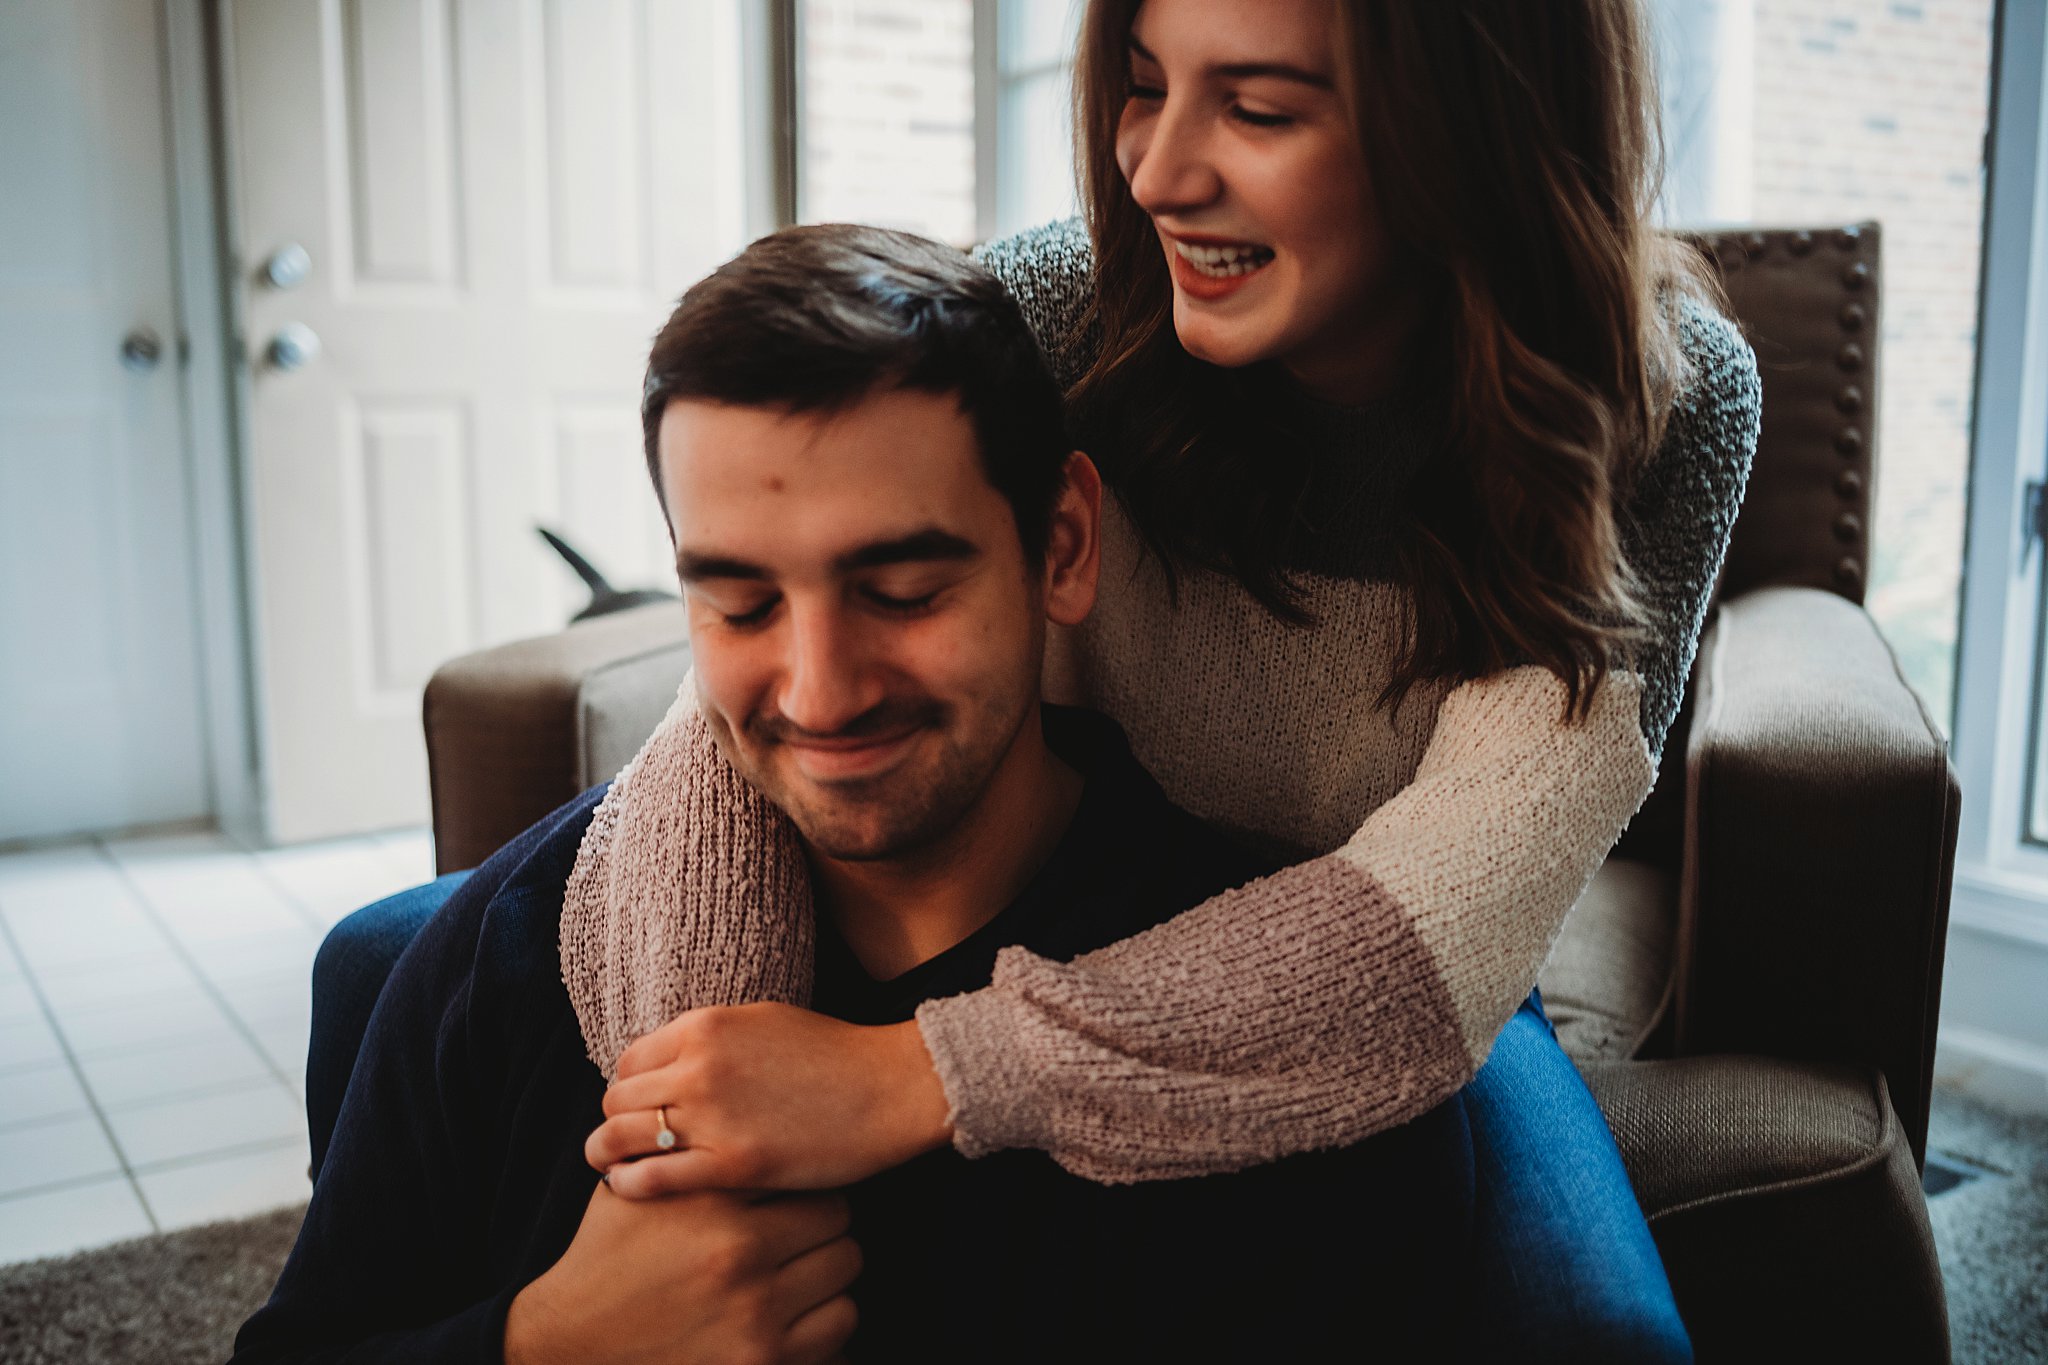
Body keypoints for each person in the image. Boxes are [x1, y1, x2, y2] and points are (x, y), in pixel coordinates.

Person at [311, 0, 1759, 1357]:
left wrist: (899, 1080)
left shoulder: (1662, 402)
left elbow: (1439, 927)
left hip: (1401, 946)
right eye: (1141, 86)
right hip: (1053, 849)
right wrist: (707, 1161)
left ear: (1467, 131)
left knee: (1591, 1330)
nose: (1157, 168)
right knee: (395, 964)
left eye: (1255, 108)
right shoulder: (1068, 307)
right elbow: (741, 716)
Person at [238, 225, 1475, 1365]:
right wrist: (544, 1342)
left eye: (902, 592)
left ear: (1060, 549)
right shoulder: (525, 942)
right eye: (741, 603)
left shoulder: (1264, 1041)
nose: (819, 692)